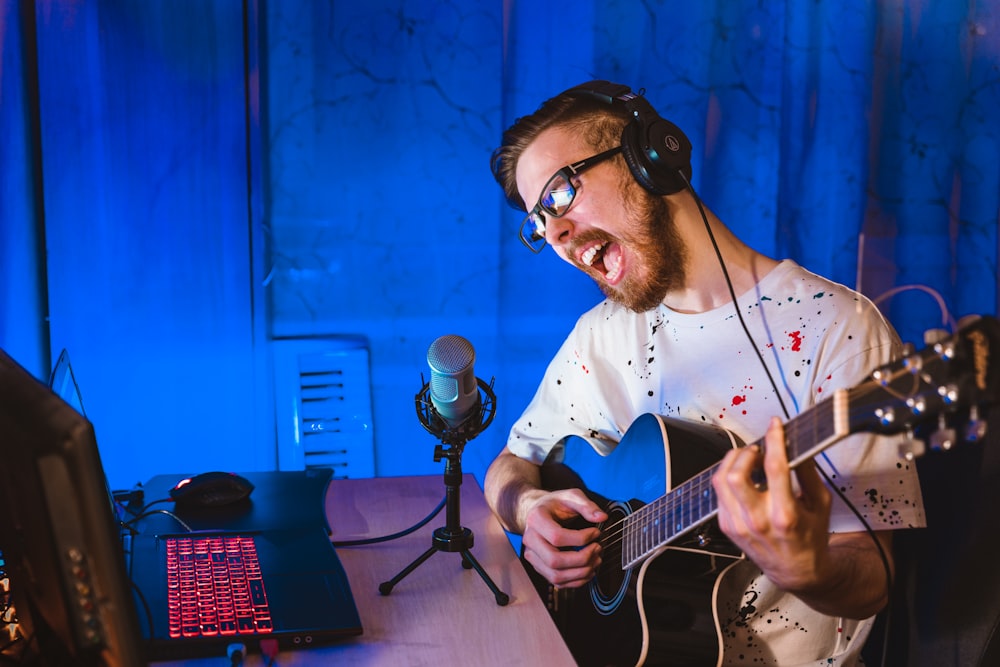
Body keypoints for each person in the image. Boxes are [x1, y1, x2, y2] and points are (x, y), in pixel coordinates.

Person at [482, 80, 925, 666]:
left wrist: (807, 568)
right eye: (540, 222)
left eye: (561, 194)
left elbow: (874, 577)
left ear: (650, 157)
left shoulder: (838, 332)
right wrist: (528, 510)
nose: (556, 235)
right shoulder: (602, 335)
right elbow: (510, 465)